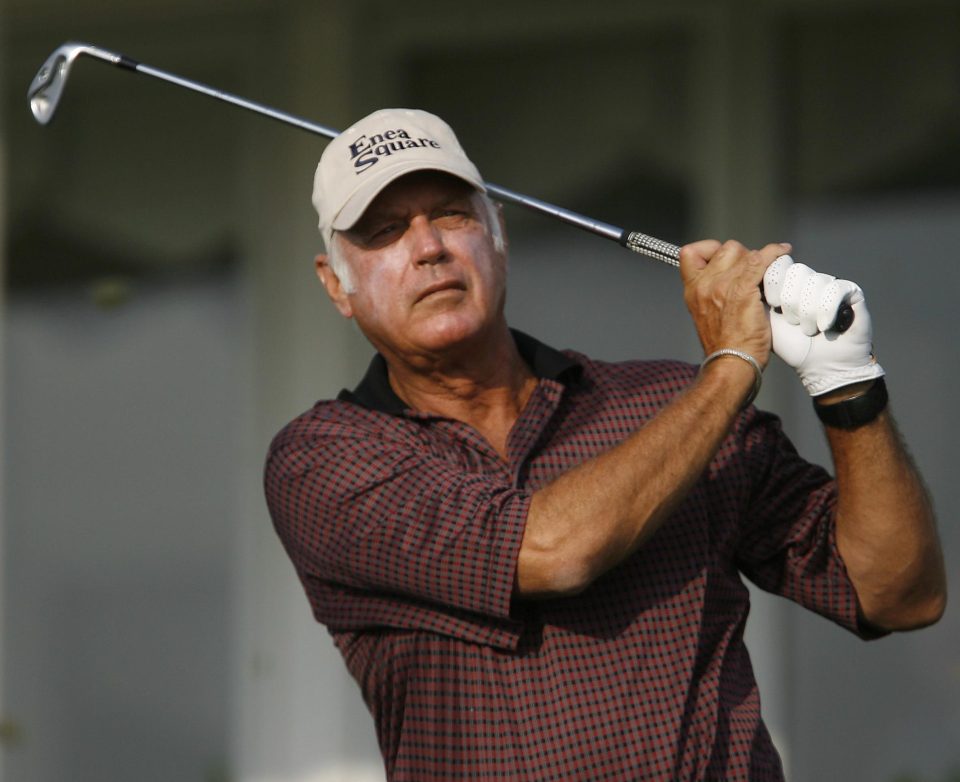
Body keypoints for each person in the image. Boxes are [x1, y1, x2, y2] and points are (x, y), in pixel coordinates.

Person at [263, 108, 946, 781]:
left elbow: (897, 595)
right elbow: (554, 551)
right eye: (384, 231)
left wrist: (847, 384)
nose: (428, 246)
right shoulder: (322, 459)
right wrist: (735, 363)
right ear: (335, 284)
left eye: (451, 214)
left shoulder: (667, 406)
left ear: (497, 230)